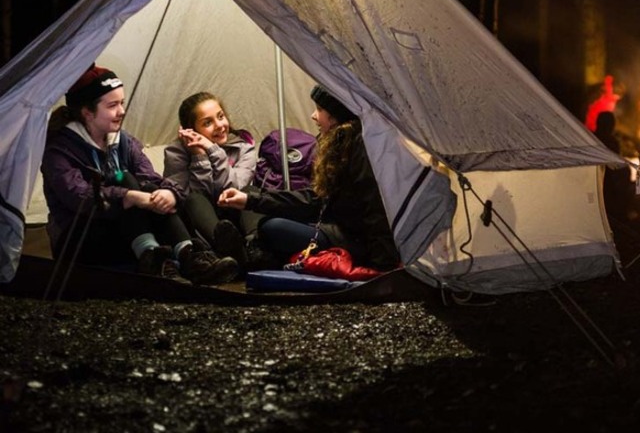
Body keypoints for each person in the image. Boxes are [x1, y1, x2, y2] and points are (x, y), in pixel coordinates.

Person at [41, 64, 238, 285]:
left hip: (127, 232)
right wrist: (129, 197)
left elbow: (150, 178)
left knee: (151, 189)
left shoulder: (123, 141)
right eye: (113, 105)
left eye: (122, 103)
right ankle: (154, 259)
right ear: (88, 112)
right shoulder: (60, 150)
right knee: (126, 182)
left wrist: (168, 193)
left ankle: (187, 256)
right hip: (81, 237)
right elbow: (79, 197)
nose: (122, 111)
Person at [218, 84, 400, 272]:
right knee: (252, 196)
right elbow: (314, 197)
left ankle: (249, 254)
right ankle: (253, 253)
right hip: (331, 225)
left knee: (271, 226)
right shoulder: (339, 143)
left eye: (320, 109)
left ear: (337, 115)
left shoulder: (359, 148)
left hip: (355, 241)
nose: (314, 115)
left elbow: (375, 207)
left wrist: (383, 266)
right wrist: (250, 200)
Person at [163, 91, 259, 267]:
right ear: (190, 130)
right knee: (194, 200)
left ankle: (255, 248)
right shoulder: (175, 153)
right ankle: (225, 251)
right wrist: (199, 155)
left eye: (220, 116)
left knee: (250, 193)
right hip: (202, 228)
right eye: (207, 122)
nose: (219, 125)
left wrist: (213, 151)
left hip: (237, 220)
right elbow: (192, 197)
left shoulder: (244, 149)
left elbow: (232, 188)